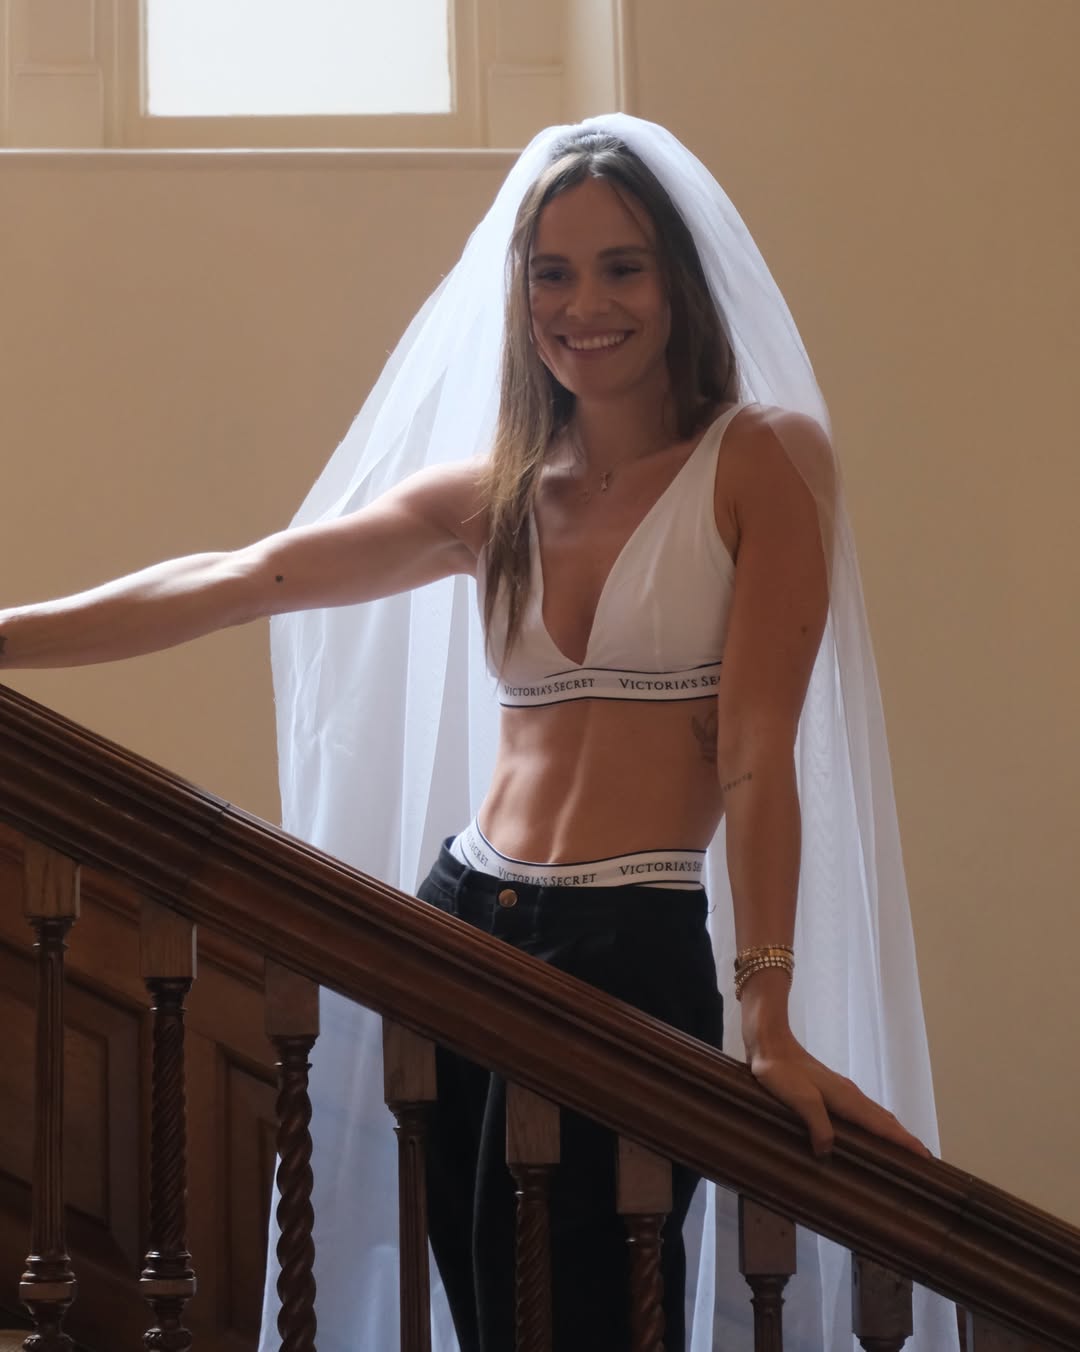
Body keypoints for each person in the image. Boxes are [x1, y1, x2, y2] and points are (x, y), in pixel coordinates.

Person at [1, 116, 958, 1351]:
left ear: (677, 280)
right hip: (460, 924)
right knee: (488, 1306)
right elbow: (240, 577)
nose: (583, 305)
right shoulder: (495, 491)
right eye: (551, 273)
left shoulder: (759, 459)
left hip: (629, 939)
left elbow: (756, 747)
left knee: (592, 1315)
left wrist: (764, 1013)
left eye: (620, 267)